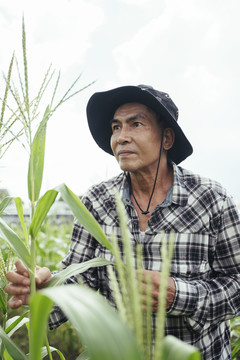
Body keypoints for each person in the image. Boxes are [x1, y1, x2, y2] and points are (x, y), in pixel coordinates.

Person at [5, 85, 240, 360]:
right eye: (116, 127)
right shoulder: (95, 202)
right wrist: (48, 291)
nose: (121, 137)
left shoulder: (211, 199)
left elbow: (236, 284)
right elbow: (79, 278)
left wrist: (179, 295)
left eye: (136, 124)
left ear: (166, 138)